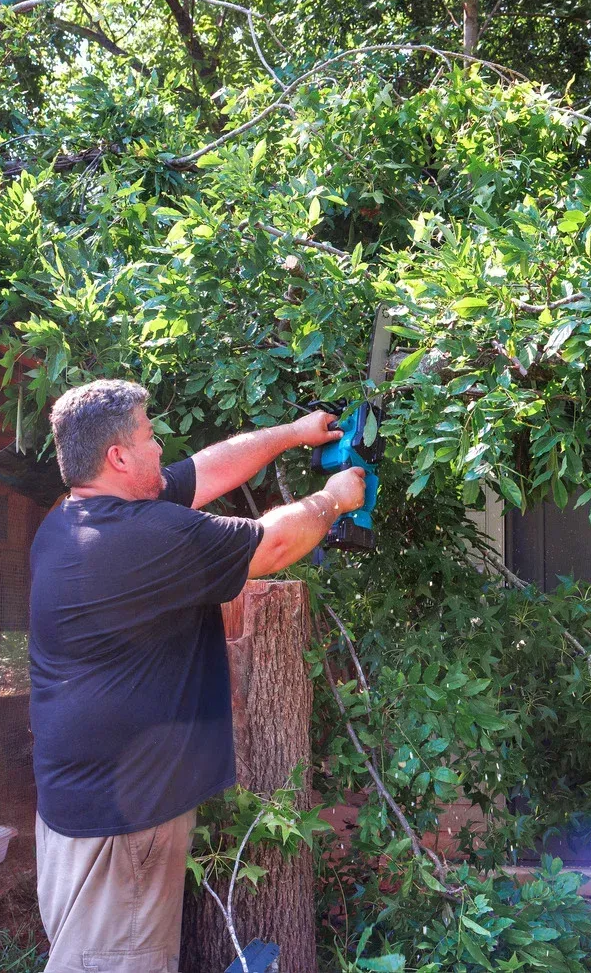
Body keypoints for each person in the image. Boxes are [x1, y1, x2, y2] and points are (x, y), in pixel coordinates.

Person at [28, 378, 366, 973]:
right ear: (119, 456)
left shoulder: (75, 519)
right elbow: (276, 542)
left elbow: (205, 471)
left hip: (90, 809)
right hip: (117, 829)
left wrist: (293, 434)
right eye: (150, 436)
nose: (161, 450)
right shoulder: (141, 539)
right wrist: (333, 499)